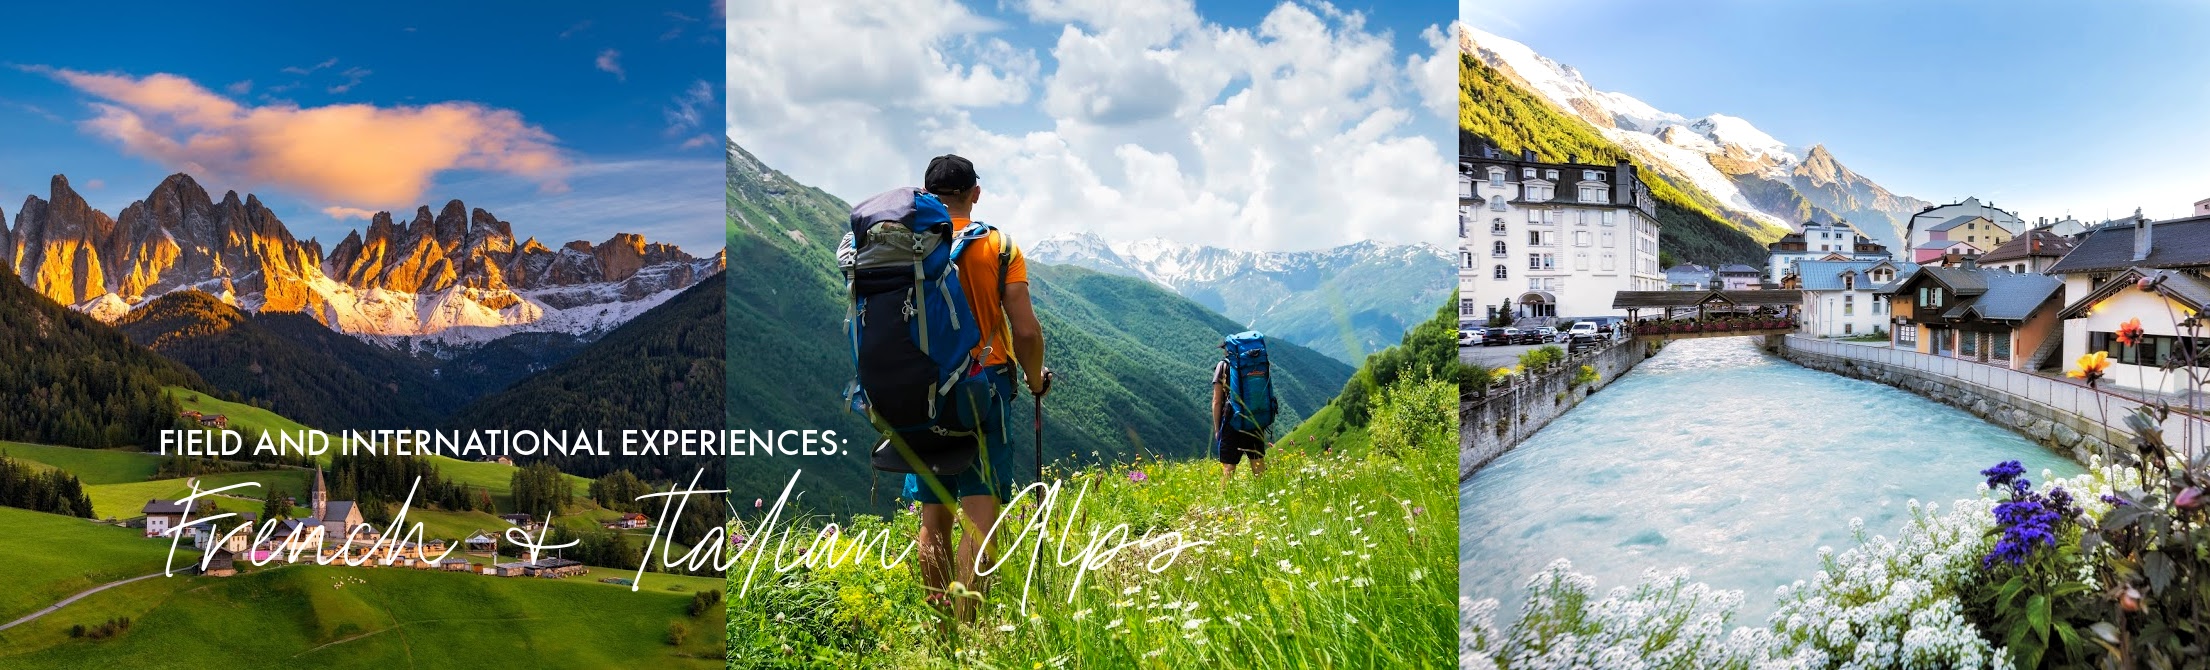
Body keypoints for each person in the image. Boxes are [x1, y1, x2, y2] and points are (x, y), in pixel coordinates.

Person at [907, 154, 1050, 625]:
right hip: (982, 385)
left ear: (925, 194)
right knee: (981, 518)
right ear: (976, 193)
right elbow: (1026, 332)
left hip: (920, 392)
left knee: (934, 517)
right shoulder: (1000, 246)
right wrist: (1033, 379)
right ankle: (969, 629)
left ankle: (939, 624)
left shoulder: (908, 245)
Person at [1214, 352, 1267, 486]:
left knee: (1229, 467)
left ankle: (1223, 502)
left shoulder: (1223, 365)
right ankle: (1265, 498)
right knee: (1258, 464)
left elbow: (1216, 401)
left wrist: (1217, 428)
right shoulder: (1257, 363)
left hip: (1232, 420)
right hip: (1255, 418)